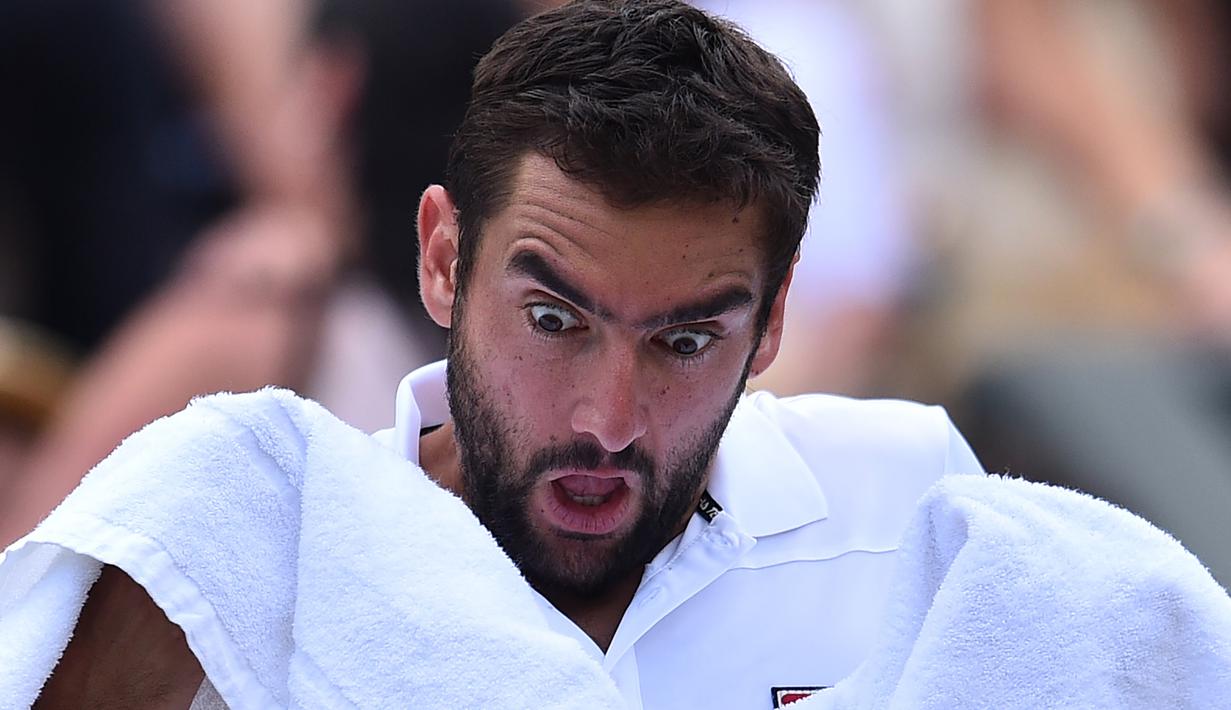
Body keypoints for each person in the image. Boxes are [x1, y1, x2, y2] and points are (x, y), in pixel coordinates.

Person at [23, 1, 983, 707]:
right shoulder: (222, 553)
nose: (606, 420)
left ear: (772, 321)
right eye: (554, 320)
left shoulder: (920, 505)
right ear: (443, 259)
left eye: (683, 341)